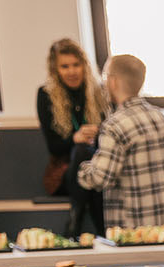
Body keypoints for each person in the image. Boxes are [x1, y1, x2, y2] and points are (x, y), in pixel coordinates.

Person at [78, 55, 164, 230]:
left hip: (133, 233)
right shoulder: (162, 118)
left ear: (113, 82)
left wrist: (82, 170)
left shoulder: (114, 126)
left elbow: (101, 178)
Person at [35, 38, 108, 236]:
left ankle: (75, 224)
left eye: (76, 65)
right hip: (64, 172)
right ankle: (101, 231)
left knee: (92, 169)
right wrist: (75, 139)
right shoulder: (45, 95)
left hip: (99, 166)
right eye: (65, 66)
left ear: (84, 65)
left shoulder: (99, 92)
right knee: (82, 153)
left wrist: (97, 134)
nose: (72, 71)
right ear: (55, 69)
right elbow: (54, 147)